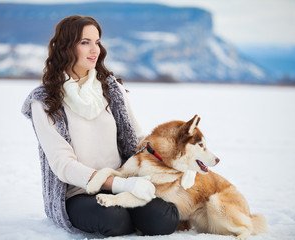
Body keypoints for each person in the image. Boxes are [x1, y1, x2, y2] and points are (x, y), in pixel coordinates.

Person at [22, 15, 179, 237]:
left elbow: (138, 138)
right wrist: (119, 186)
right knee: (114, 219)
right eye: (85, 42)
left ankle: (134, 214)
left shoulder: (110, 88)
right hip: (77, 193)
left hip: (126, 180)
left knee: (164, 218)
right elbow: (63, 165)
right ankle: (128, 217)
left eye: (97, 42)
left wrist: (174, 157)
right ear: (66, 47)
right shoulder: (44, 100)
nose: (94, 49)